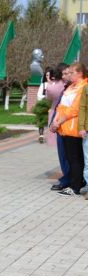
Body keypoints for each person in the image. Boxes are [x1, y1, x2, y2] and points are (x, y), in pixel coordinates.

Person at [51, 62, 87, 196]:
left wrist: (59, 121)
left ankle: (75, 186)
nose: (69, 75)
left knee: (75, 158)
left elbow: (75, 108)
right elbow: (60, 106)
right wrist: (55, 121)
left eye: (72, 73)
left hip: (74, 128)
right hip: (64, 128)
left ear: (80, 73)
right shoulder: (71, 87)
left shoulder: (83, 86)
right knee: (70, 157)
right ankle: (74, 182)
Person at [45, 65, 70, 191]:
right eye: (65, 73)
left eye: (69, 73)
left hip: (66, 124)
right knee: (65, 154)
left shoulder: (58, 86)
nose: (67, 76)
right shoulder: (65, 86)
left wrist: (49, 83)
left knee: (66, 154)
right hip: (59, 121)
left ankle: (69, 179)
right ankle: (69, 178)